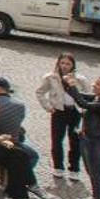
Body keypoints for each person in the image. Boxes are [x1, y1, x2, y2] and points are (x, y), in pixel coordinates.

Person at [0, 76, 46, 199]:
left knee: (20, 156)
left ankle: (21, 186)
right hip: (3, 143)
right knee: (31, 156)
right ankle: (25, 184)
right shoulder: (19, 105)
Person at [34, 52, 84, 186]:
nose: (65, 66)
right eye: (62, 63)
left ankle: (74, 168)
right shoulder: (51, 78)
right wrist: (48, 107)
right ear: (58, 63)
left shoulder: (79, 79)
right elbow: (40, 92)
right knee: (57, 140)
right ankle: (58, 167)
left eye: (68, 63)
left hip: (74, 112)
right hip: (58, 111)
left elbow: (87, 94)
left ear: (73, 65)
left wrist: (84, 109)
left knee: (75, 141)